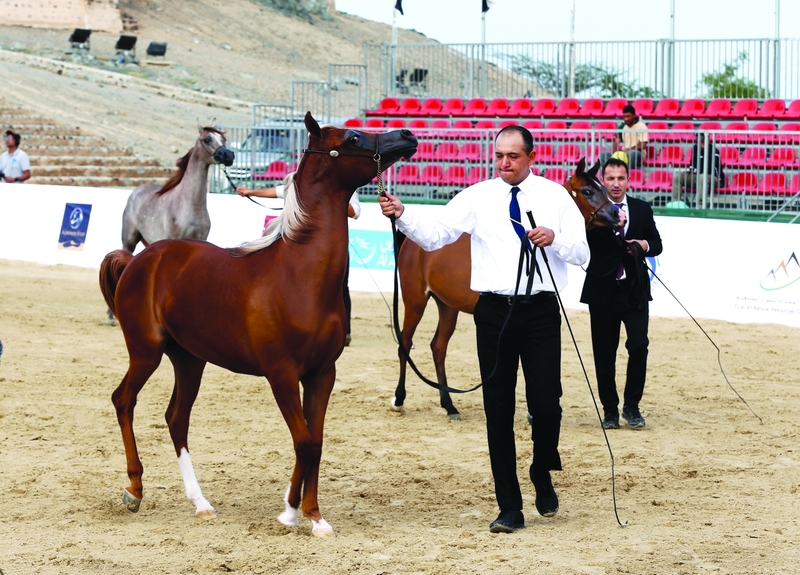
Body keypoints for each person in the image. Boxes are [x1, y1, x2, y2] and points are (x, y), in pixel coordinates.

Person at [378, 125, 589, 534]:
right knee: (498, 409)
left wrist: (555, 238)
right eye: (499, 156)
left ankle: (541, 469)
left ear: (531, 156)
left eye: (513, 156)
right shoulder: (478, 196)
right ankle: (509, 505)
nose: (505, 163)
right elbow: (438, 233)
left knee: (547, 404)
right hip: (493, 311)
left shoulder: (555, 196)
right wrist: (403, 215)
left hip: (541, 309)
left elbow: (582, 253)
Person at [580, 156, 663, 431]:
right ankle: (610, 410)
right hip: (602, 290)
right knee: (604, 353)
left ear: (628, 180)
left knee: (639, 346)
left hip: (634, 290)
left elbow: (657, 244)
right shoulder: (591, 211)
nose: (616, 184)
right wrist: (614, 226)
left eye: (621, 178)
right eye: (611, 178)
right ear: (602, 181)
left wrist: (642, 244)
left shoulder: (641, 208)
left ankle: (632, 406)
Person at [236, 177, 361, 346]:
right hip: (304, 243)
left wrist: (331, 196)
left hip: (331, 244)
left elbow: (355, 211)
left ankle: (345, 331)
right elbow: (280, 191)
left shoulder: (345, 184)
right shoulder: (301, 177)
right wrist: (251, 192)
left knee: (340, 286)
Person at [671, 133, 725, 204]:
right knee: (677, 177)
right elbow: (693, 164)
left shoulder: (714, 150)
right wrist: (690, 171)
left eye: (701, 138)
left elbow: (713, 168)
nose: (699, 140)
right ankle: (676, 203)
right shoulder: (695, 149)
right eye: (698, 137)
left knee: (703, 176)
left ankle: (701, 204)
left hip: (715, 178)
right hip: (699, 177)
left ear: (707, 139)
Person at [600, 105, 648, 169]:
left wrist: (629, 150)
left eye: (628, 116)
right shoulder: (622, 127)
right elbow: (616, 142)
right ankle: (608, 174)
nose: (626, 119)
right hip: (624, 152)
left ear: (634, 115)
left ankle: (628, 175)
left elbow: (643, 144)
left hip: (639, 153)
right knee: (604, 154)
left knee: (631, 153)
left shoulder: (641, 126)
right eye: (624, 116)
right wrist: (615, 153)